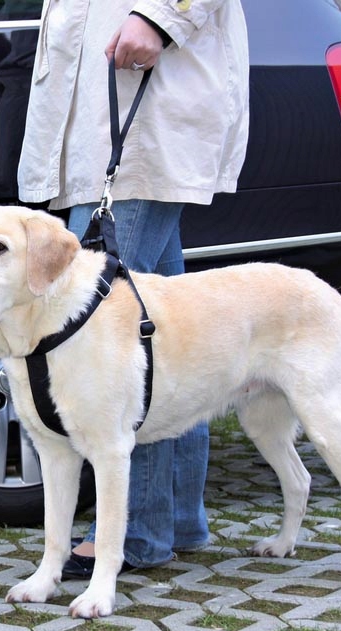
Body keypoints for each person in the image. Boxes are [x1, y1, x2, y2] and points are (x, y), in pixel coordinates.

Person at [18, 0, 250, 577]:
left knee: (100, 330)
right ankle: (173, 518)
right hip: (106, 115)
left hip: (144, 106)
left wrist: (160, 17)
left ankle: (136, 533)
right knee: (170, 336)